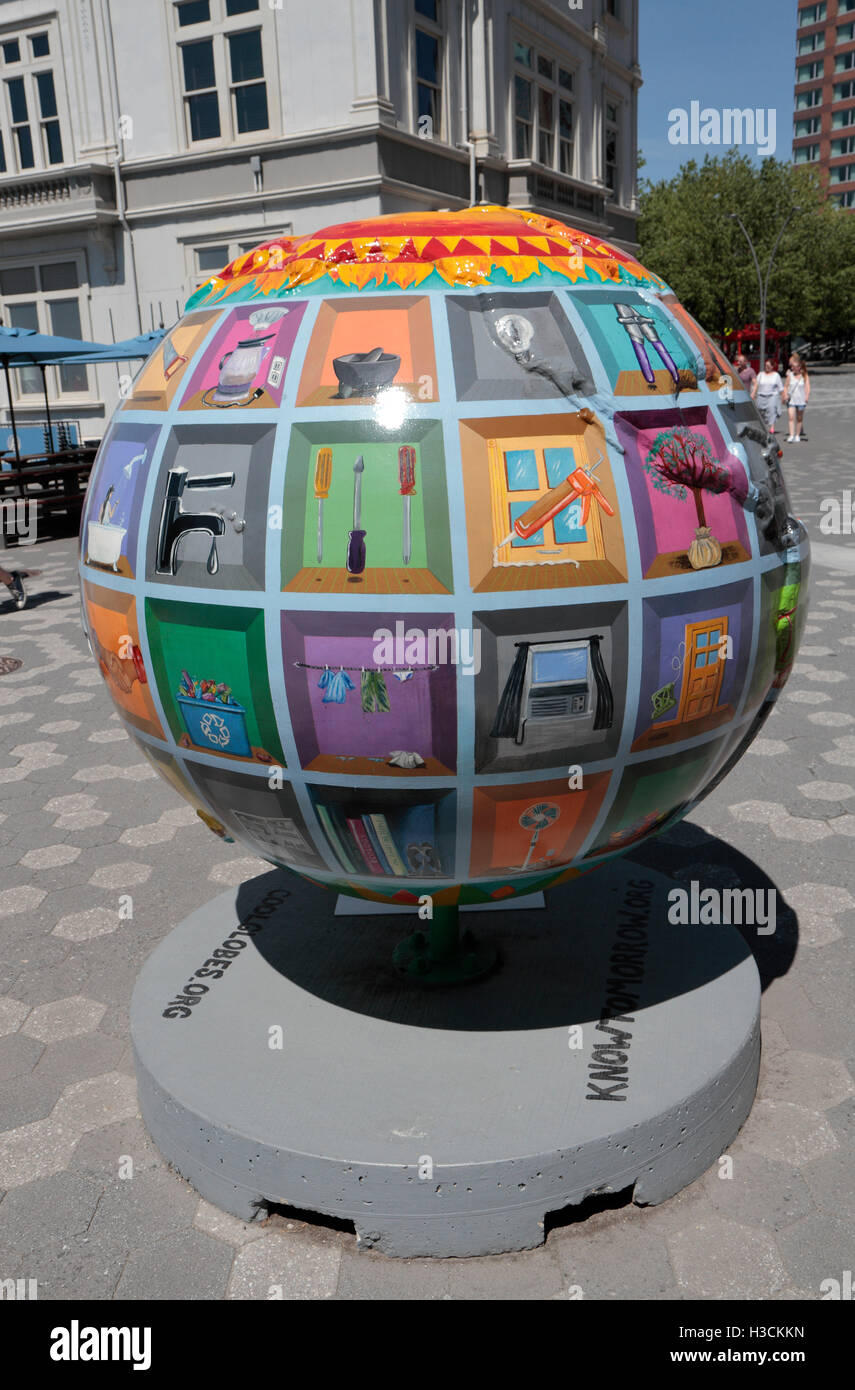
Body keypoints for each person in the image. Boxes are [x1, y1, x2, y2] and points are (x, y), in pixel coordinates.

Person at [751, 357, 784, 434]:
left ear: (772, 367)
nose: (767, 368)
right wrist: (753, 393)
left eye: (769, 366)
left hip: (772, 396)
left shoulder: (776, 375)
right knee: (760, 411)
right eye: (766, 366)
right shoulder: (761, 374)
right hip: (761, 395)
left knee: (771, 410)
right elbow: (756, 385)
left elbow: (781, 387)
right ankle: (763, 426)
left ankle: (772, 427)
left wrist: (783, 396)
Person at [783, 353, 810, 442]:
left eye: (794, 367)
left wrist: (807, 396)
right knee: (791, 417)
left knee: (799, 418)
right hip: (791, 400)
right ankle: (791, 435)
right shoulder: (790, 376)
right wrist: (785, 394)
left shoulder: (804, 376)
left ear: (799, 367)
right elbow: (786, 386)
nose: (792, 368)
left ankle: (797, 435)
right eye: (792, 367)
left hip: (801, 400)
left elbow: (807, 387)